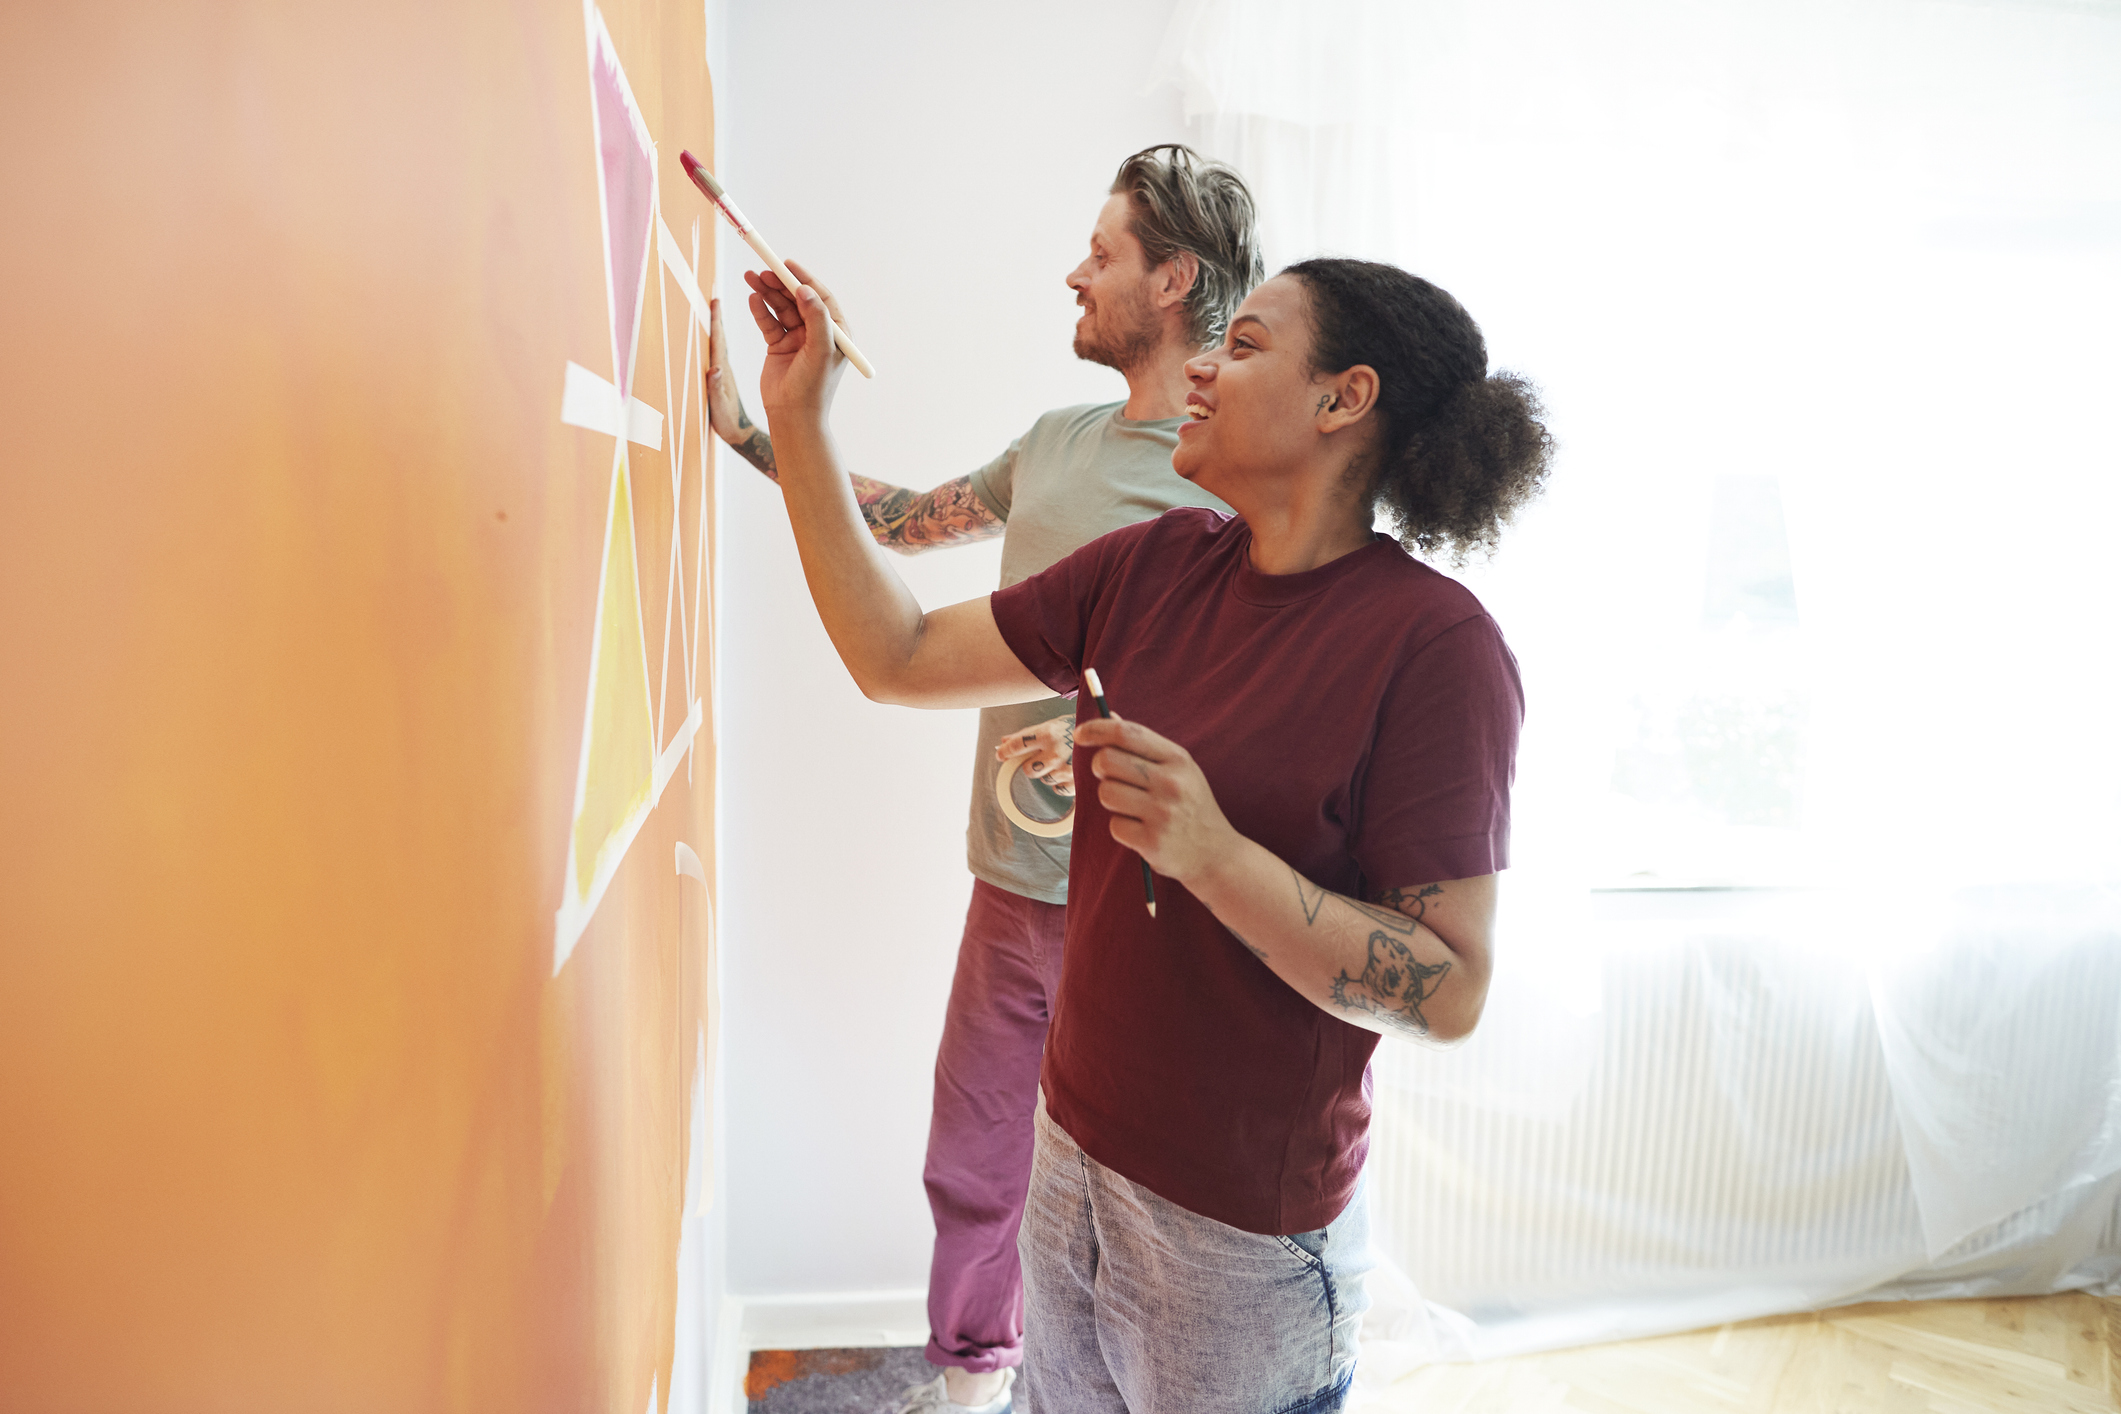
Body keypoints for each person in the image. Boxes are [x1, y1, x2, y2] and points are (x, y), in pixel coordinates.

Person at [740, 247, 1552, 1412]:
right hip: (1068, 1161)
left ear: (1344, 397)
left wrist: (1214, 854)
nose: (1206, 371)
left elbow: (1449, 988)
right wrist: (798, 418)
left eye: (1249, 345)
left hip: (1240, 1246)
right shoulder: (1154, 566)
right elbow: (899, 656)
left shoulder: (1438, 651)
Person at [705, 147, 1264, 1413]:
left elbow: (1264, 683)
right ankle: (971, 1386)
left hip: (1155, 916)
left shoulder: (1231, 473)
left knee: (1127, 1207)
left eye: (1105, 252)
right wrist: (761, 426)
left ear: (1173, 280)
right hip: (1012, 887)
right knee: (974, 1156)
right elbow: (901, 526)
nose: (1076, 270)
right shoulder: (1057, 442)